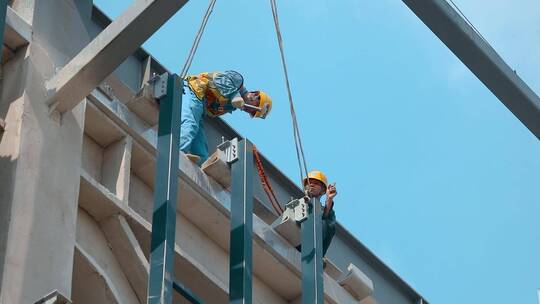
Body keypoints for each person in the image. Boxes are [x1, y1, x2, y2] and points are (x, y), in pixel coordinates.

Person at [181, 70, 272, 165]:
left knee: (201, 147)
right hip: (192, 91)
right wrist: (234, 95)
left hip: (198, 106)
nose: (249, 111)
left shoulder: (230, 106)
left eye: (252, 113)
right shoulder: (238, 81)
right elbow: (219, 78)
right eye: (253, 109)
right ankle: (178, 152)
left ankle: (199, 169)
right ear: (255, 95)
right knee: (189, 126)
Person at [303, 170, 338, 256]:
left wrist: (329, 199)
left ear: (323, 190)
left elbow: (325, 223)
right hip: (297, 242)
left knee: (326, 222)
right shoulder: (298, 205)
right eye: (309, 182)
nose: (311, 184)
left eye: (316, 183)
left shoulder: (326, 212)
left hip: (313, 250)